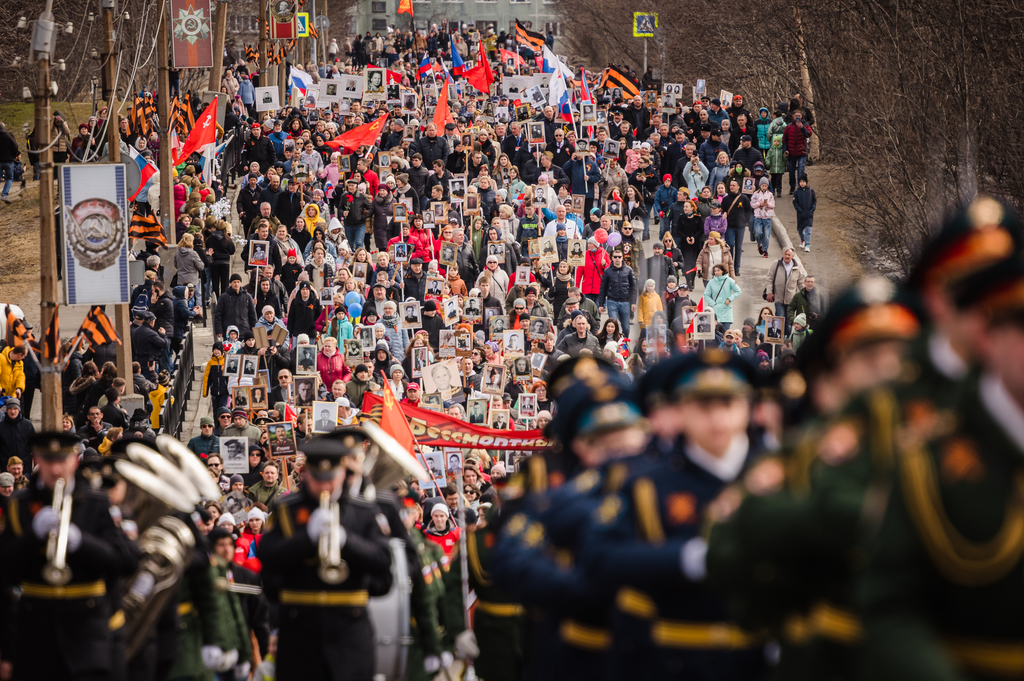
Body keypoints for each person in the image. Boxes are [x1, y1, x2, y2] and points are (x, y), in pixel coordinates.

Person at [0, 431, 137, 680]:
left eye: (61, 461)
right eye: (48, 460)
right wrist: (33, 537)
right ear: (37, 460)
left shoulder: (96, 502)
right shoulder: (18, 505)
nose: (55, 469)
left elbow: (123, 561)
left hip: (87, 631)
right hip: (35, 630)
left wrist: (81, 541)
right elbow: (5, 568)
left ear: (74, 461)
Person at [260, 427, 393, 681]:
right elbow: (268, 557)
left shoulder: (363, 510)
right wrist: (306, 538)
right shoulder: (286, 509)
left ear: (343, 473)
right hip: (298, 631)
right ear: (306, 474)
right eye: (318, 478)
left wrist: (345, 540)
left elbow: (382, 561)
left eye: (331, 477)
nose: (325, 485)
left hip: (350, 633)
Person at [764, 247, 808, 331]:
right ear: (782, 254)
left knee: (788, 322)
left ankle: (787, 341)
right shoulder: (776, 264)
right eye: (785, 254)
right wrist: (769, 292)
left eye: (789, 255)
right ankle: (779, 342)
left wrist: (805, 295)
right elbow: (769, 278)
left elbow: (801, 282)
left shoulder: (798, 266)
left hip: (791, 301)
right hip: (778, 299)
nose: (787, 256)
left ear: (792, 256)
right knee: (779, 320)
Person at [792, 174, 816, 251]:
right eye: (800, 182)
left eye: (803, 181)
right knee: (800, 229)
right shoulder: (796, 192)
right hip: (800, 214)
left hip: (809, 213)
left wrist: (812, 209)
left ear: (806, 182)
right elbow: (795, 202)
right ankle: (802, 240)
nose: (802, 183)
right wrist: (799, 210)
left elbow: (814, 201)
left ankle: (807, 245)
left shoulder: (811, 191)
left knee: (808, 229)